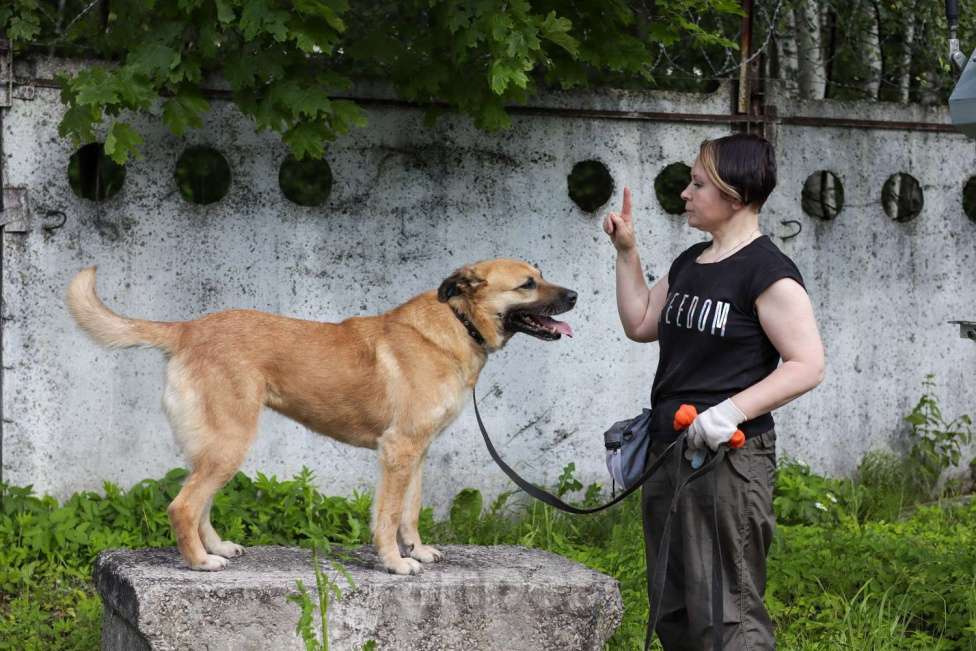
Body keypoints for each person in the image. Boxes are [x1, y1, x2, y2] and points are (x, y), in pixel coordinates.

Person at [602, 133, 825, 650]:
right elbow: (640, 321)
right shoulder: (689, 263)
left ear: (736, 195)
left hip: (728, 460)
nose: (685, 192)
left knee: (726, 612)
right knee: (673, 606)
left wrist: (730, 412)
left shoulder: (768, 274)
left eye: (698, 183)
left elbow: (808, 365)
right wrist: (627, 251)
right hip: (669, 451)